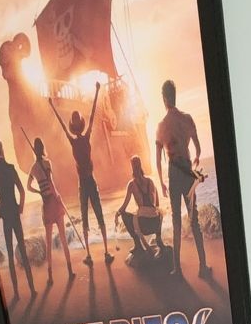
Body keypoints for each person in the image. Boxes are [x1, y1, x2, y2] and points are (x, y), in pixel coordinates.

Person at [48, 86, 112, 266]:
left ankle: (92, 254)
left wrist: (52, 107)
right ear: (80, 126)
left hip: (84, 183)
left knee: (87, 217)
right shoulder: (85, 137)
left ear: (74, 126)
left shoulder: (74, 141)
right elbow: (91, 116)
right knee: (97, 214)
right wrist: (96, 92)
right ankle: (105, 252)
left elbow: (63, 125)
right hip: (88, 181)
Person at [155, 78, 208, 279]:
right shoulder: (187, 119)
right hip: (186, 171)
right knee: (194, 220)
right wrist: (196, 159)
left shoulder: (161, 125)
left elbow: (158, 159)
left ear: (164, 98)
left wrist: (161, 182)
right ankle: (203, 266)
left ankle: (177, 269)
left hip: (173, 172)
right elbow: (198, 148)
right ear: (174, 96)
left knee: (176, 219)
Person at [0, 139, 34, 299]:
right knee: (22, 248)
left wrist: (0, 213)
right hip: (14, 212)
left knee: (9, 252)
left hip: (6, 215)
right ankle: (32, 289)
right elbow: (22, 190)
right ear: (2, 150)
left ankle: (16, 293)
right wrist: (20, 207)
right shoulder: (10, 168)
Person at [26, 137, 73, 285]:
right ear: (42, 148)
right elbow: (51, 183)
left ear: (34, 150)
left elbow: (28, 187)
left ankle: (50, 276)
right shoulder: (47, 163)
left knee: (48, 241)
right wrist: (58, 197)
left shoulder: (33, 168)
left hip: (46, 204)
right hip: (54, 201)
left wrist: (39, 192)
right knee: (63, 238)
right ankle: (70, 271)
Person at [117, 156, 165, 261]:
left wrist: (117, 214)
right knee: (159, 211)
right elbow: (157, 205)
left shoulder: (131, 184)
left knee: (124, 215)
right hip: (155, 224)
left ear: (132, 167)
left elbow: (123, 208)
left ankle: (138, 245)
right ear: (141, 165)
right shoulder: (151, 181)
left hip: (144, 226)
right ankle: (159, 239)